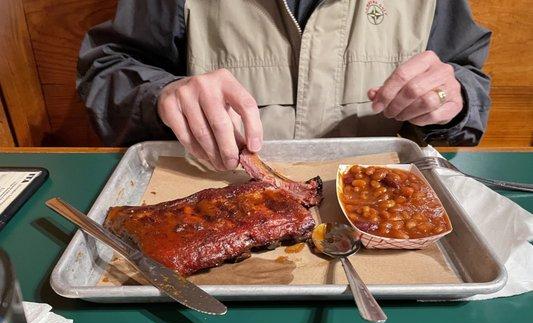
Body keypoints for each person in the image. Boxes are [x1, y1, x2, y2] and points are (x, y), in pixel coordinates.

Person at [77, 0, 491, 170]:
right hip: (215, 192)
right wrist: (161, 96)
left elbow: (466, 82)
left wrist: (452, 98)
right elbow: (107, 72)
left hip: (383, 211)